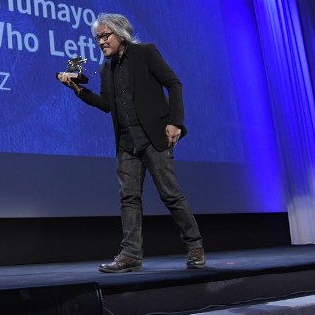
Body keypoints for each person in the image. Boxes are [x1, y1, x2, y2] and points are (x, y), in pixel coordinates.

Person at [58, 13, 205, 272]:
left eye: (106, 36)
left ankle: (195, 247)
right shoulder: (105, 68)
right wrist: (79, 91)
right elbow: (107, 105)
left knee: (170, 195)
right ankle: (131, 255)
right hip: (127, 143)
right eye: (98, 38)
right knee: (129, 199)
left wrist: (175, 122)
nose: (101, 42)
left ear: (121, 34)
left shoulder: (145, 53)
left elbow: (174, 84)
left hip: (153, 138)